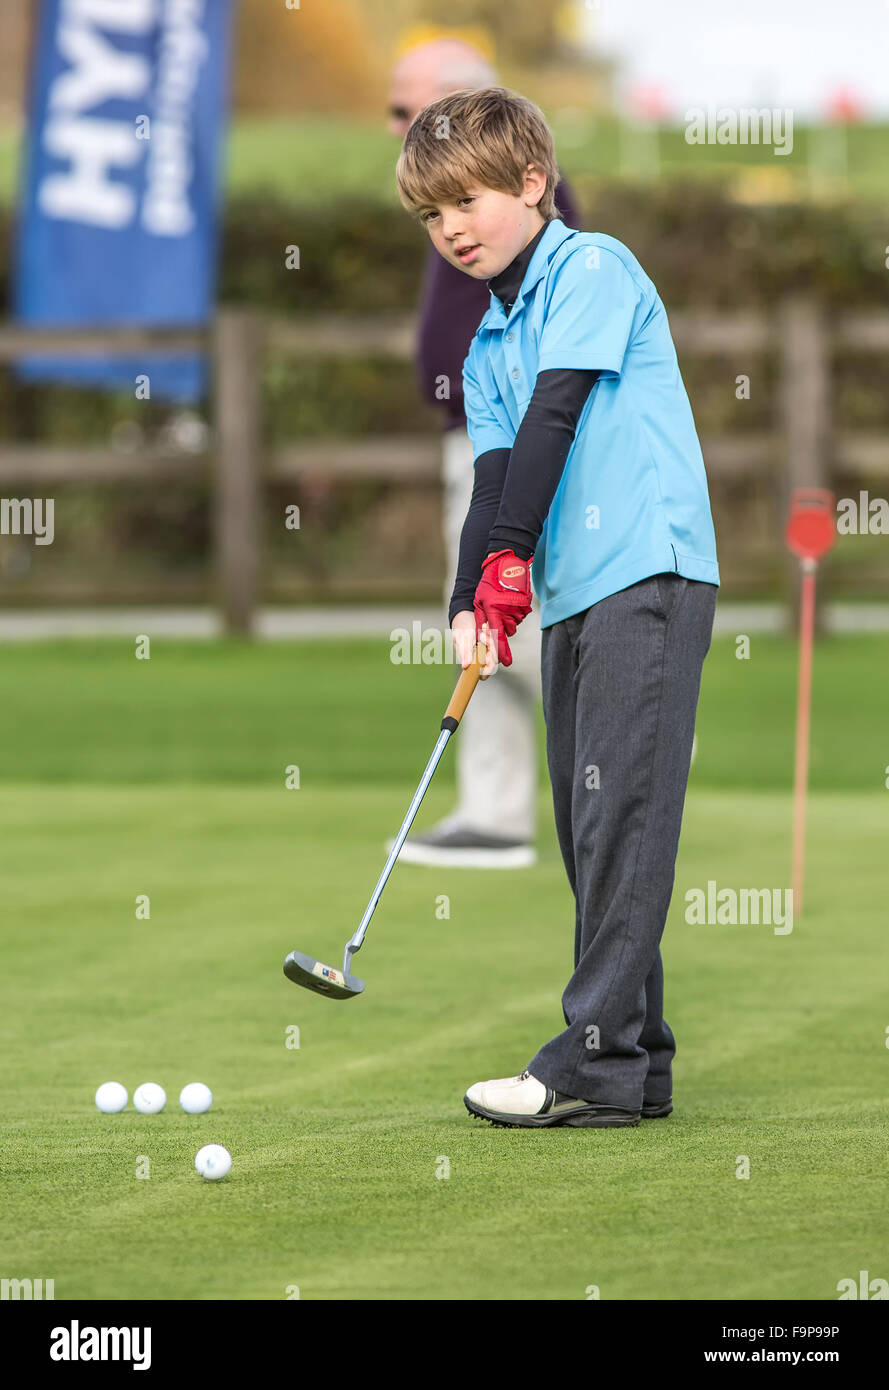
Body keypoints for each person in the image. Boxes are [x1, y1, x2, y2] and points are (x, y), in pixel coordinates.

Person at [396, 88, 719, 1128]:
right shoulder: (487, 341)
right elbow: (495, 477)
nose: (450, 229)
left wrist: (506, 566)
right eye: (430, 215)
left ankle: (584, 1061)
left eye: (467, 202)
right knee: (591, 831)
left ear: (532, 183)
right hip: (576, 595)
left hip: (647, 570)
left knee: (620, 812)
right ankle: (633, 1065)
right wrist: (469, 593)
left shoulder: (592, 268)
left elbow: (555, 418)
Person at [388, 39, 581, 868]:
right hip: (473, 430)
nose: (395, 126)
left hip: (508, 433)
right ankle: (495, 813)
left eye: (407, 111)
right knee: (473, 616)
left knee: (510, 620)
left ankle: (621, 748)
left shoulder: (523, 203)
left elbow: (554, 355)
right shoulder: (449, 203)